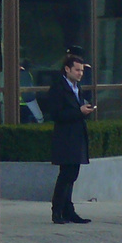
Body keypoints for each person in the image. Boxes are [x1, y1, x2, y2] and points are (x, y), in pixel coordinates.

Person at [42, 52, 94, 224]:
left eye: (81, 70)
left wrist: (85, 110)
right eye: (77, 70)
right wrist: (78, 112)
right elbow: (56, 114)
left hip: (77, 135)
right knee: (66, 175)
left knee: (72, 175)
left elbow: (76, 110)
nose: (80, 73)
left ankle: (68, 209)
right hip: (65, 138)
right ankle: (57, 210)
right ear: (67, 69)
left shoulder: (76, 88)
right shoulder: (58, 88)